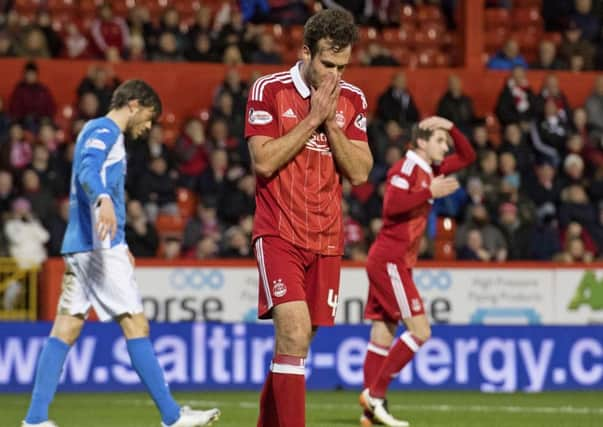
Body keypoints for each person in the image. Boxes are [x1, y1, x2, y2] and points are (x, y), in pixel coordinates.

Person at [21, 80, 220, 427]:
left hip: (84, 246)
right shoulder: (104, 130)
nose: (149, 125)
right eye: (148, 116)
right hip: (98, 247)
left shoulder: (98, 131)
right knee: (135, 323)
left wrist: (123, 242)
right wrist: (102, 199)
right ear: (133, 104)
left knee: (65, 329)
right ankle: (172, 416)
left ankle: (35, 419)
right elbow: (87, 170)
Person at [244, 9, 373, 427]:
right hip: (279, 231)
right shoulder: (269, 90)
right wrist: (312, 119)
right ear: (305, 53)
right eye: (327, 65)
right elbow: (263, 161)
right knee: (294, 335)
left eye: (342, 67)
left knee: (294, 347)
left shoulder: (353, 100)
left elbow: (360, 172)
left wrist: (331, 124)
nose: (334, 75)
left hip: (328, 237)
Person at [359, 116, 476, 427]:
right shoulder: (407, 168)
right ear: (421, 142)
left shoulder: (430, 170)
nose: (446, 146)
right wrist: (429, 193)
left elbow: (468, 157)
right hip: (390, 261)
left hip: (396, 262)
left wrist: (451, 125)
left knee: (383, 333)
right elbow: (391, 207)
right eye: (439, 140)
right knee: (421, 331)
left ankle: (369, 413)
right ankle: (376, 394)